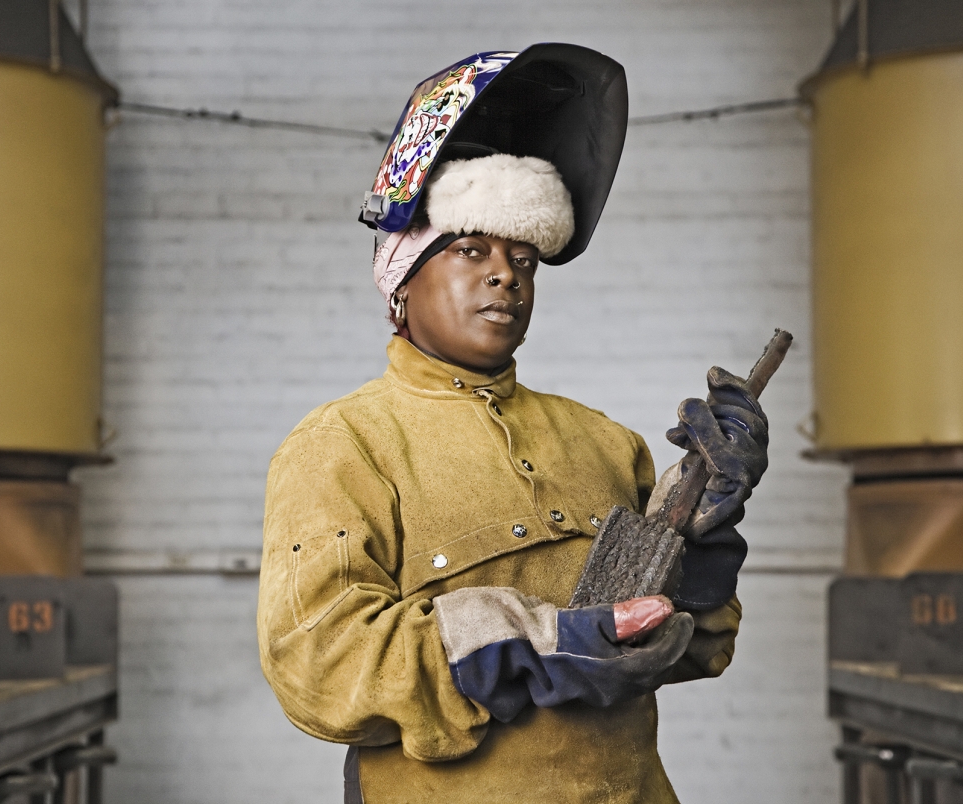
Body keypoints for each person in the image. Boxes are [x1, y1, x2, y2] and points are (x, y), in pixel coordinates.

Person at [258, 45, 769, 804]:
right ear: (402, 279)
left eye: (524, 260)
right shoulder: (344, 446)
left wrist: (706, 528)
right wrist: (540, 646)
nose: (506, 275)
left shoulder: (606, 442)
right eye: (470, 250)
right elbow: (322, 667)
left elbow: (687, 648)